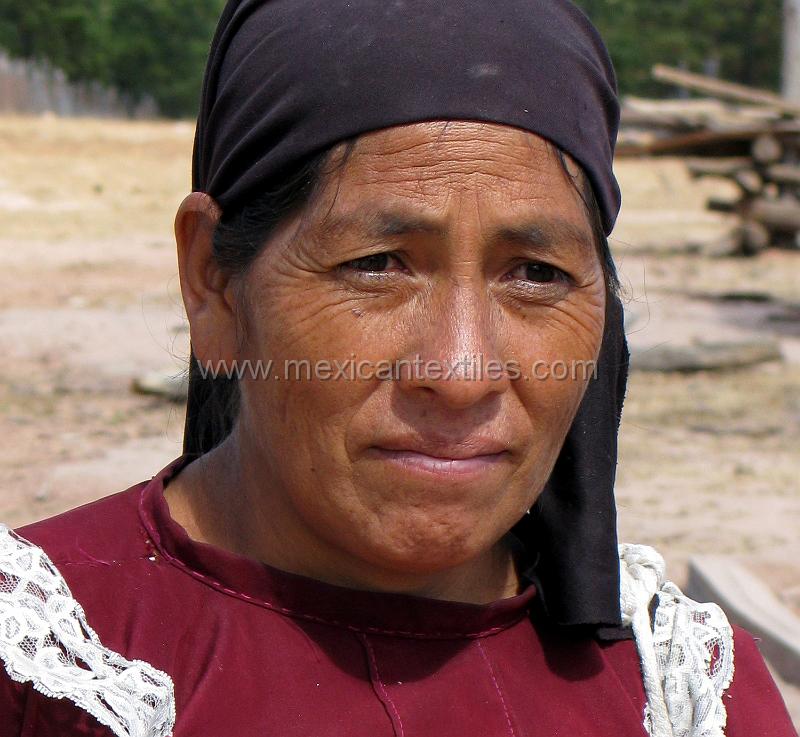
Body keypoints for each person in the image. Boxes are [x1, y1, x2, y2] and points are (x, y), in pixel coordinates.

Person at [0, 1, 796, 735]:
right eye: (378, 264)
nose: (461, 372)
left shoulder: (687, 696)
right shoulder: (46, 672)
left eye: (536, 273)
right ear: (213, 281)